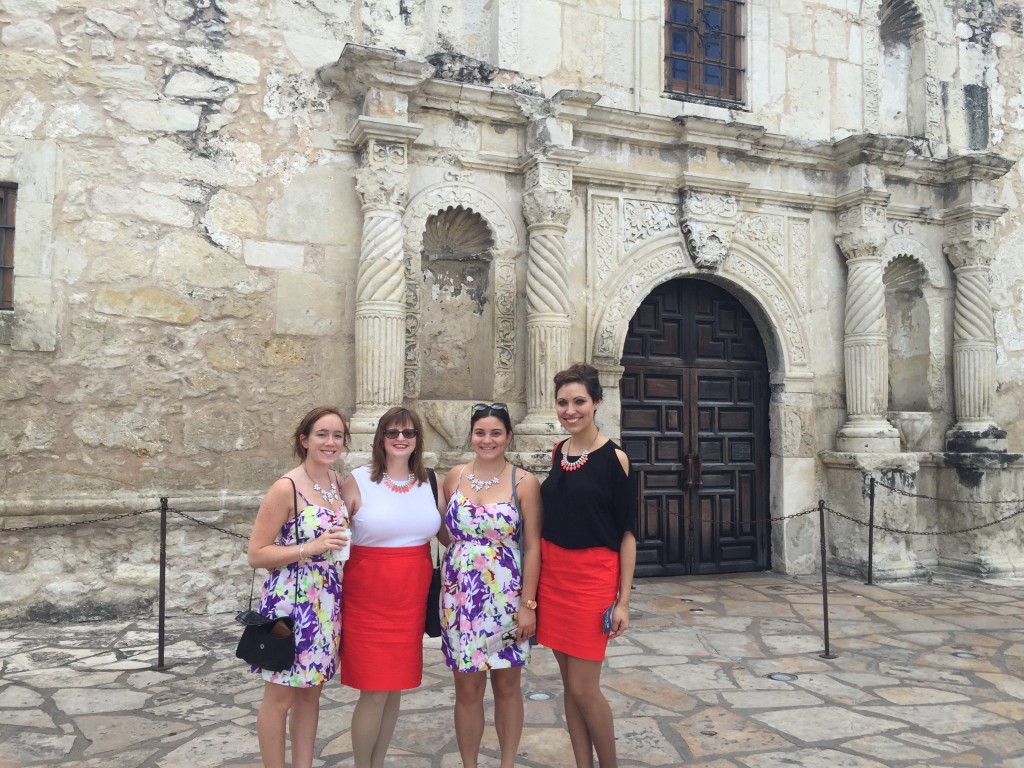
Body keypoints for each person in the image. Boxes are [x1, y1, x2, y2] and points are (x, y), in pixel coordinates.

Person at [536, 363, 637, 768]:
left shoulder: (616, 459)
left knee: (585, 688)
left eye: (579, 401)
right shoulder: (560, 452)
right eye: (563, 402)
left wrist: (623, 600)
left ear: (596, 403)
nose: (570, 410)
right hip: (553, 578)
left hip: (593, 580)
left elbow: (627, 534)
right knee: (569, 686)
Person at [246, 406, 352, 768]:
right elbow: (256, 554)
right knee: (280, 697)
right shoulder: (286, 487)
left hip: (327, 599)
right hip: (290, 601)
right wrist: (311, 547)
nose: (330, 442)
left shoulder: (337, 482)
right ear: (304, 439)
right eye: (322, 434)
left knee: (311, 693)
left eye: (337, 435)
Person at [439, 403, 542, 768]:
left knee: (507, 686)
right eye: (480, 432)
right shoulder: (454, 477)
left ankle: (507, 763)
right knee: (466, 688)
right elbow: (441, 530)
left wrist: (527, 604)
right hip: (460, 600)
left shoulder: (524, 482)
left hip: (506, 599)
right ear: (471, 435)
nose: (487, 439)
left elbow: (532, 546)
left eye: (496, 433)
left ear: (508, 436)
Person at [338, 407, 443, 768]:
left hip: (410, 597)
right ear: (380, 438)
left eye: (409, 433)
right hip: (368, 598)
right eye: (393, 433)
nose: (401, 439)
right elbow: (332, 532)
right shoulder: (357, 480)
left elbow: (449, 533)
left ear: (418, 439)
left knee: (394, 687)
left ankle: (377, 762)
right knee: (374, 690)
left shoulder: (430, 480)